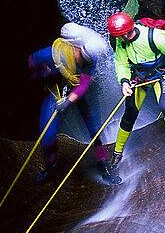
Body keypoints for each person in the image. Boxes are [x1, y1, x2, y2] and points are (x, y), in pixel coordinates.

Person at [28, 23, 120, 185]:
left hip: (80, 93)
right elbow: (33, 60)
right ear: (75, 48)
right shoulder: (53, 54)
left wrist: (69, 101)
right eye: (82, 57)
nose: (84, 62)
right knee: (48, 135)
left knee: (95, 130)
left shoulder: (91, 57)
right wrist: (42, 73)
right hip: (57, 91)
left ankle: (104, 166)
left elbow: (84, 82)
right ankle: (50, 166)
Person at [107, 12, 165, 170]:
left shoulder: (155, 37)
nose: (116, 38)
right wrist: (124, 81)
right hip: (139, 78)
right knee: (130, 113)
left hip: (161, 75)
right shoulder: (122, 42)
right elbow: (121, 62)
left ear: (124, 33)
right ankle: (118, 151)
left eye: (117, 36)